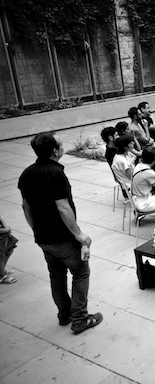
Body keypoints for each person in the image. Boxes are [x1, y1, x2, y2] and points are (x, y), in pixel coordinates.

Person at [18, 132, 102, 333]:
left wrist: (36, 230)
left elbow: (26, 207)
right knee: (81, 273)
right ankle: (80, 318)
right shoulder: (55, 174)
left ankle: (64, 314)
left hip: (44, 238)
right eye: (61, 145)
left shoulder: (27, 174)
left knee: (57, 276)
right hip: (62, 238)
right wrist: (78, 234)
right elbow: (63, 207)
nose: (64, 147)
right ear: (55, 151)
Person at [0, 214, 18, 284]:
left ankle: (1, 271)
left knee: (9, 251)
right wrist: (6, 229)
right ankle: (2, 276)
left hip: (4, 237)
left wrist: (6, 227)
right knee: (1, 257)